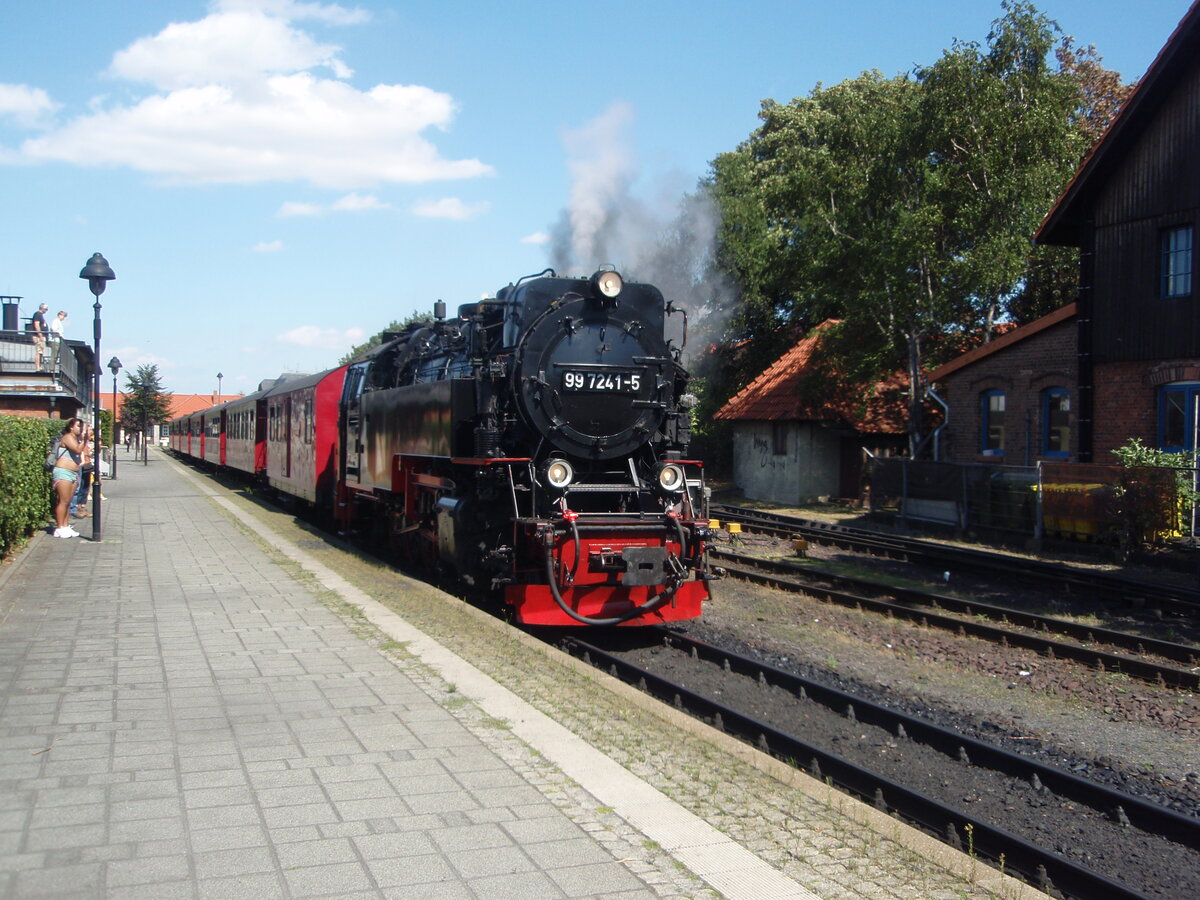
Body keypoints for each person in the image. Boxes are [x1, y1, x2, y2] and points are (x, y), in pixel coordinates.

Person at [51, 418, 85, 539]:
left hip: (72, 473)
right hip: (63, 472)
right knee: (63, 501)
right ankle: (59, 527)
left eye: (81, 426)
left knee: (68, 501)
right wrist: (85, 439)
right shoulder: (67, 437)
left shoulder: (77, 439)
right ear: (71, 427)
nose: (80, 429)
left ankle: (65, 525)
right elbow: (77, 449)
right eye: (78, 426)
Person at [70, 426, 93, 519]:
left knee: (85, 487)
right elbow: (79, 451)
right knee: (79, 487)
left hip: (87, 464)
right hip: (81, 464)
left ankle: (82, 507)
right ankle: (76, 508)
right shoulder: (78, 439)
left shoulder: (86, 440)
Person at [47, 310, 67, 376]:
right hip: (55, 340)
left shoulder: (58, 322)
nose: (63, 318)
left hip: (57, 340)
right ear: (60, 315)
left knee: (55, 356)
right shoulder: (56, 321)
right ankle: (51, 369)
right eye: (63, 316)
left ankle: (52, 369)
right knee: (54, 355)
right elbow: (53, 329)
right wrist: (60, 335)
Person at [30, 303, 48, 372]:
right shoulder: (37, 314)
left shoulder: (40, 315)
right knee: (39, 351)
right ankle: (37, 367)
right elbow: (36, 325)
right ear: (42, 308)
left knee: (41, 352)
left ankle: (39, 367)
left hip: (41, 336)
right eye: (46, 309)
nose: (46, 310)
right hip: (38, 336)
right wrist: (40, 335)